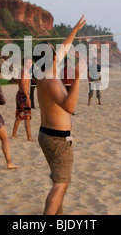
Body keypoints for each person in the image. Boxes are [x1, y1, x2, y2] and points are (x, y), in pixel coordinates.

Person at [35, 14, 87, 215]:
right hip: (57, 140)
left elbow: (64, 48)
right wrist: (76, 79)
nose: (59, 51)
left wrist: (74, 30)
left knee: (60, 182)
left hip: (48, 135)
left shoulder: (44, 72)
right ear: (53, 58)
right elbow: (70, 107)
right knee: (61, 184)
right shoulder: (50, 79)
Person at [12, 58, 34, 141]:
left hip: (20, 95)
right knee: (27, 116)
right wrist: (28, 97)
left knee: (19, 116)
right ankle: (29, 137)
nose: (29, 63)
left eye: (30, 62)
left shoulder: (22, 71)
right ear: (24, 63)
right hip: (23, 96)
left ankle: (14, 134)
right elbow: (24, 85)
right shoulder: (24, 72)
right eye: (27, 62)